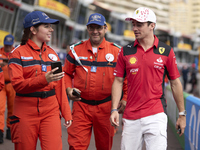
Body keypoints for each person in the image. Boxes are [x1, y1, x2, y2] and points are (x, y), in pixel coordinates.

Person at [110, 7, 186, 150]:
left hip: (156, 114)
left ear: (152, 25)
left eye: (139, 24)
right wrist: (114, 109)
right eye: (133, 24)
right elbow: (118, 81)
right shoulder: (125, 50)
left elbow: (175, 83)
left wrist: (182, 114)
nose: (134, 28)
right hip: (131, 116)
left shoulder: (167, 51)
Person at [8, 11, 72, 150]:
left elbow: (60, 86)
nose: (51, 29)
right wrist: (44, 79)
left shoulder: (53, 54)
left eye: (51, 26)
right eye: (46, 26)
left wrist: (67, 113)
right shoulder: (17, 53)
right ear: (33, 29)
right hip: (25, 111)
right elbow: (18, 85)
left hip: (51, 111)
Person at [64, 13, 127, 150]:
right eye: (91, 27)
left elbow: (125, 79)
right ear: (87, 29)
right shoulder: (75, 50)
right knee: (75, 146)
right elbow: (66, 74)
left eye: (98, 28)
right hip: (81, 107)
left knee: (104, 147)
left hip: (106, 108)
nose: (95, 31)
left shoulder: (117, 52)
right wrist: (69, 89)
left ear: (105, 28)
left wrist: (125, 99)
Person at [0, 34, 15, 143]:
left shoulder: (16, 53)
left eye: (9, 45)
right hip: (1, 84)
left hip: (12, 84)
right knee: (0, 108)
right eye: (6, 45)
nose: (7, 47)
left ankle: (10, 129)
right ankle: (0, 131)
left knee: (12, 108)